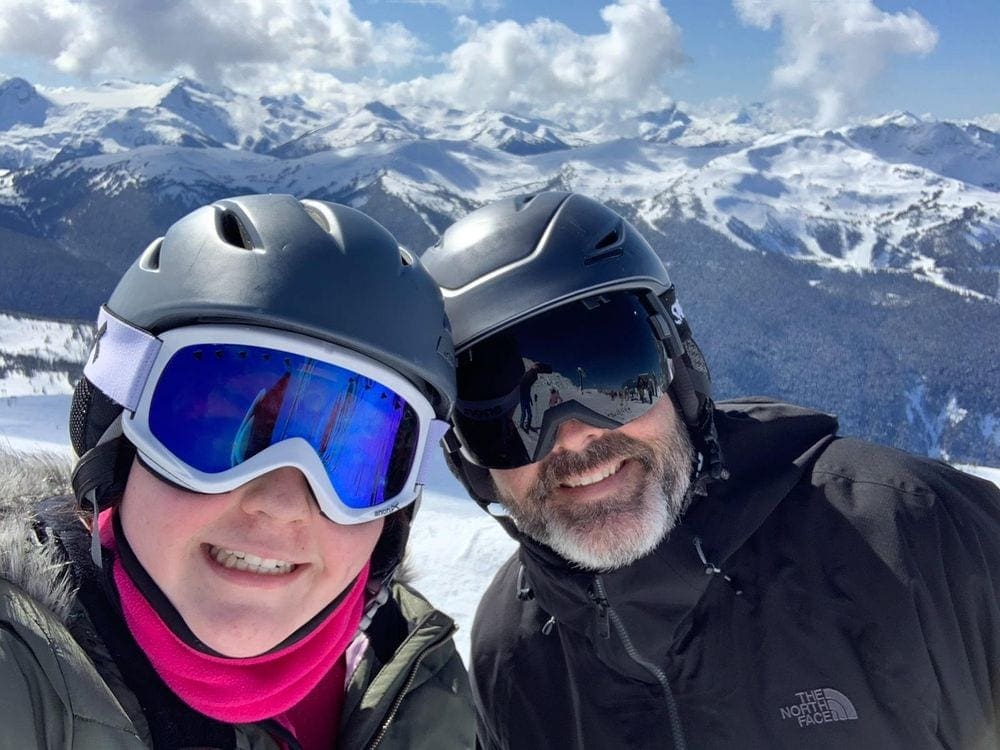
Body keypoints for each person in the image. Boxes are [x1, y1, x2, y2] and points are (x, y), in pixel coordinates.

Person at [419, 191, 1000, 750]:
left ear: (680, 375)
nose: (573, 436)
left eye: (611, 376)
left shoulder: (922, 538)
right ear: (467, 460)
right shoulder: (511, 651)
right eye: (507, 415)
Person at [0, 194, 474, 749]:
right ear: (115, 447)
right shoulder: (19, 672)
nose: (283, 501)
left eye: (353, 460)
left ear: (395, 512)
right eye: (222, 432)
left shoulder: (419, 676)